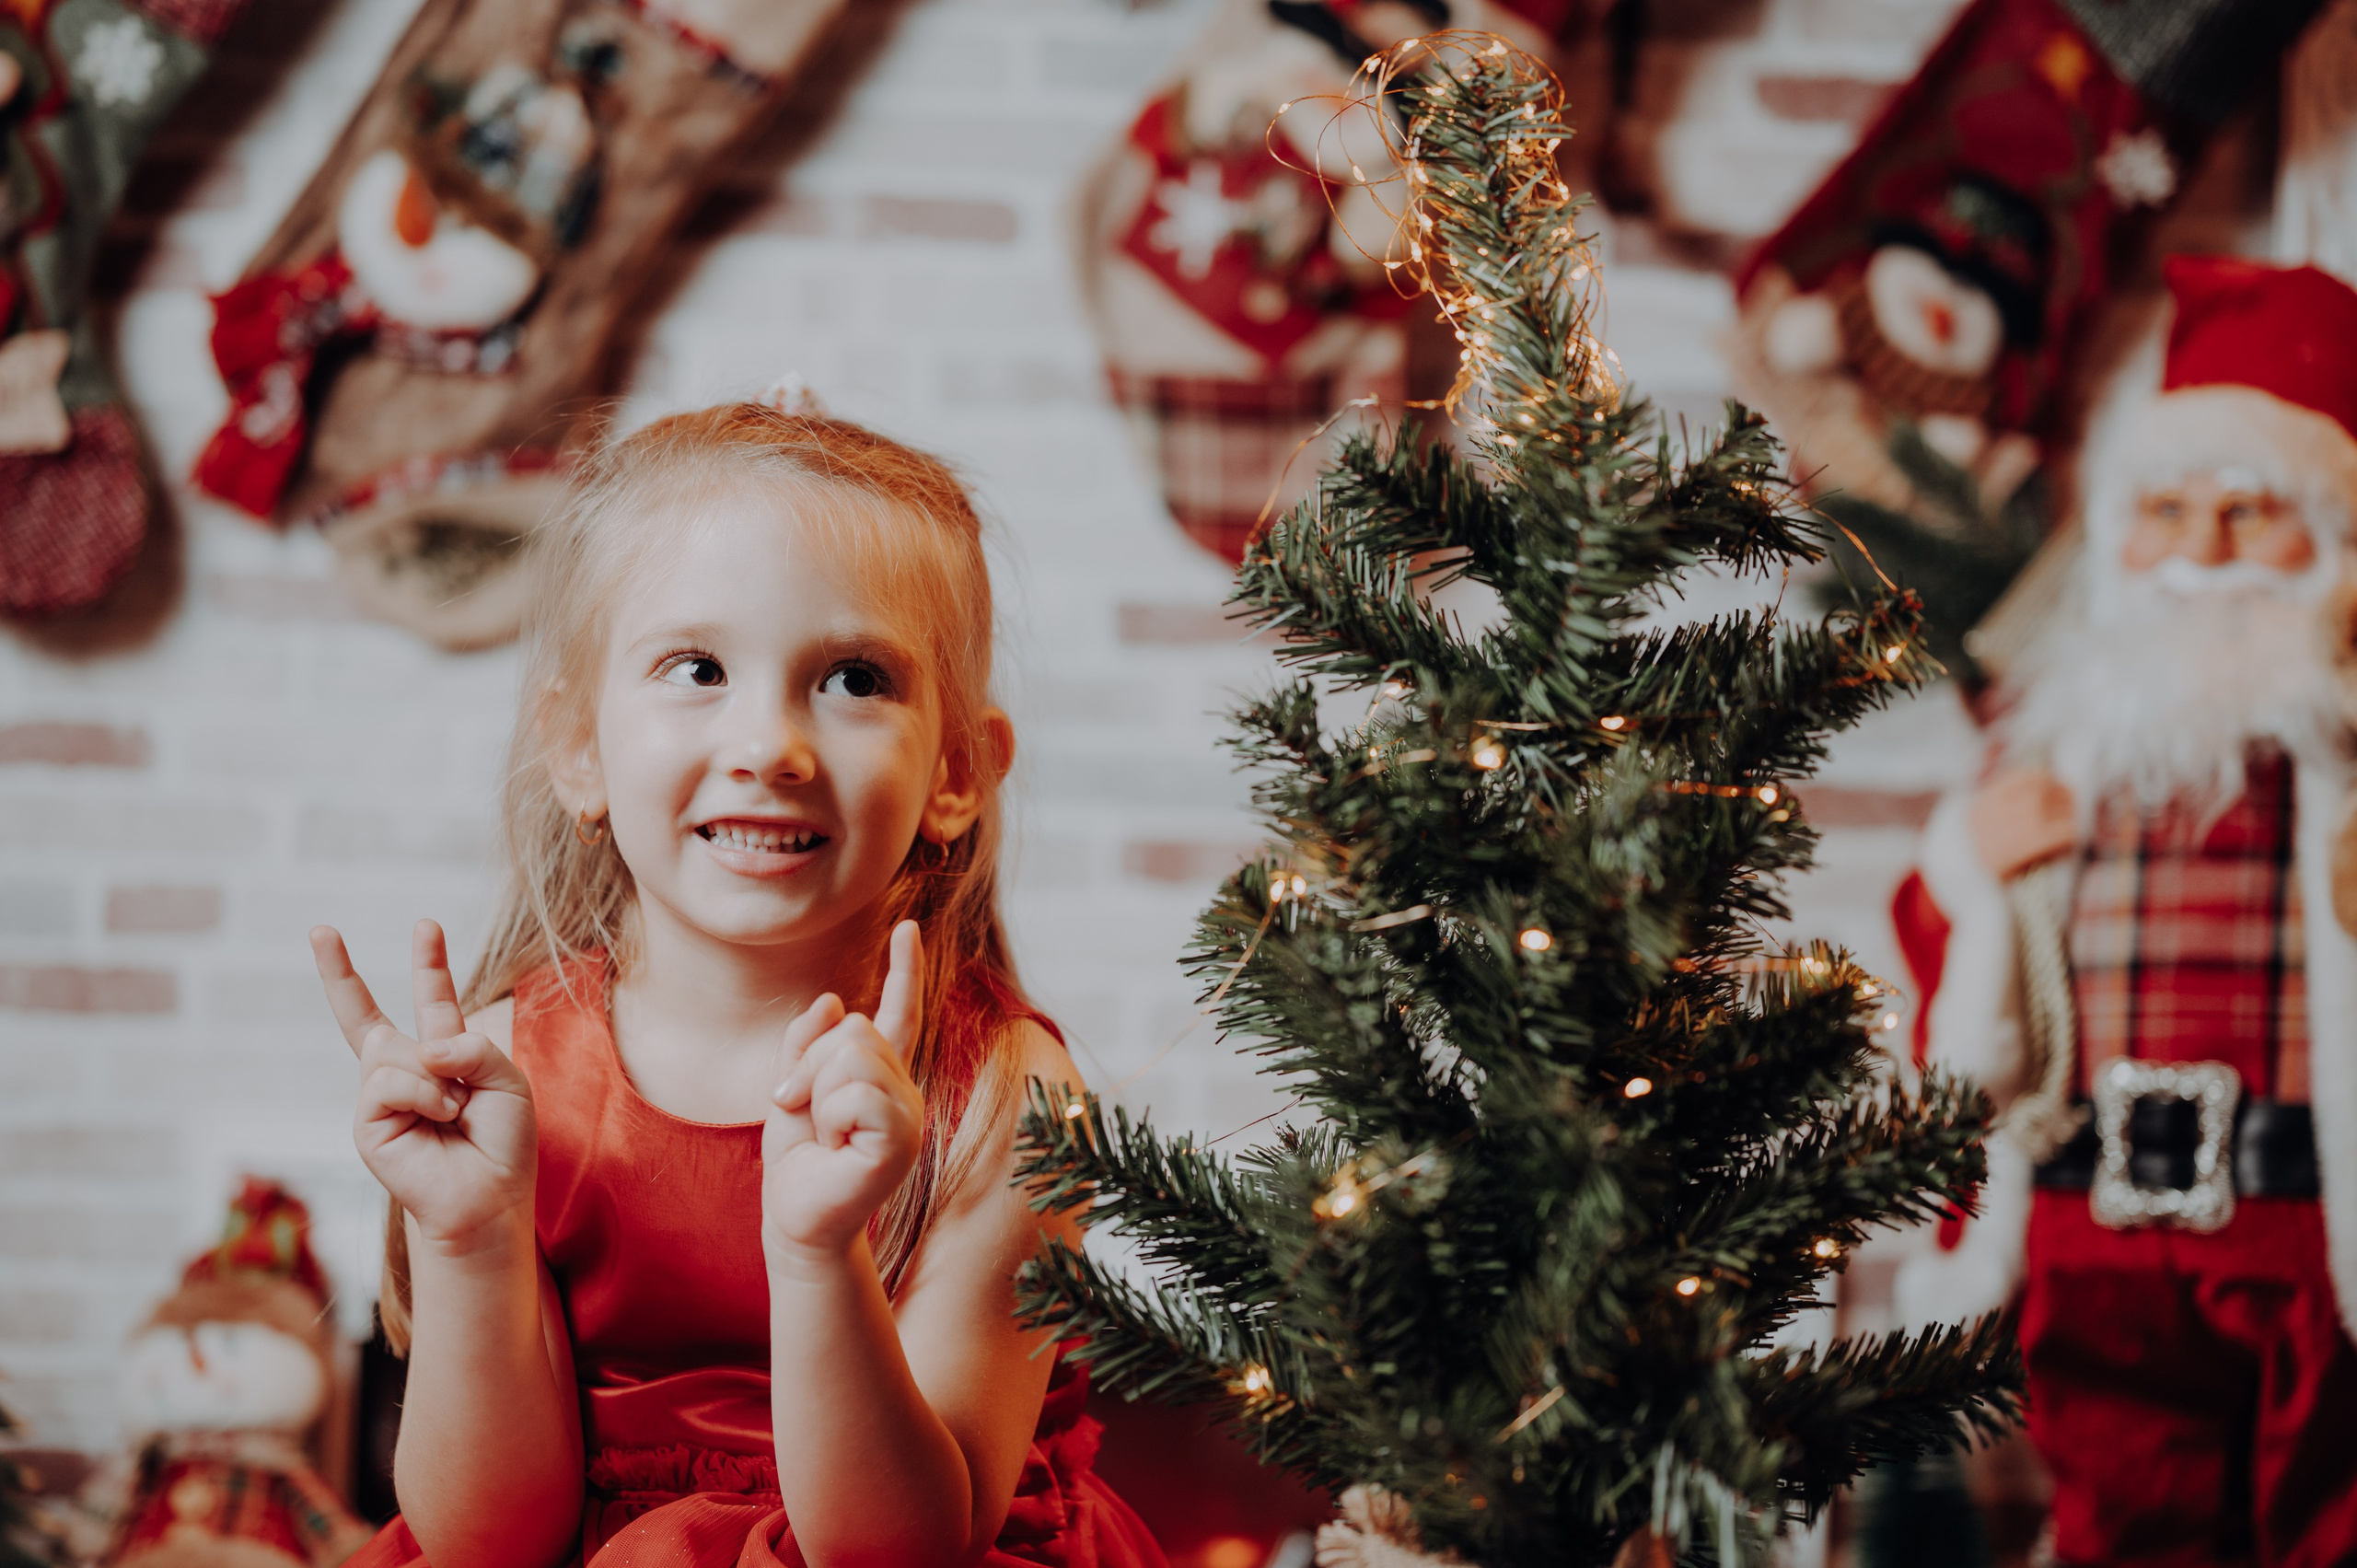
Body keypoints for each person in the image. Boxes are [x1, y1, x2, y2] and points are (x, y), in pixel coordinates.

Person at [306, 401, 1167, 1568]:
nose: (770, 744)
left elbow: (904, 1549)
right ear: (579, 747)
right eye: (698, 667)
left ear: (956, 770)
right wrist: (469, 1238)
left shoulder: (1000, 1098)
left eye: (854, 677)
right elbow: (487, 1541)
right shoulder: (509, 1074)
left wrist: (821, 1252)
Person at [1891, 257, 2357, 1566]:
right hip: (2085, 1218)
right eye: (2166, 507)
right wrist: (1967, 867)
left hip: (2304, 1228)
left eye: (2249, 510)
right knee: (2116, 1515)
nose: (2200, 551)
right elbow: (1947, 955)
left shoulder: (2339, 760)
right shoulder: (2064, 743)